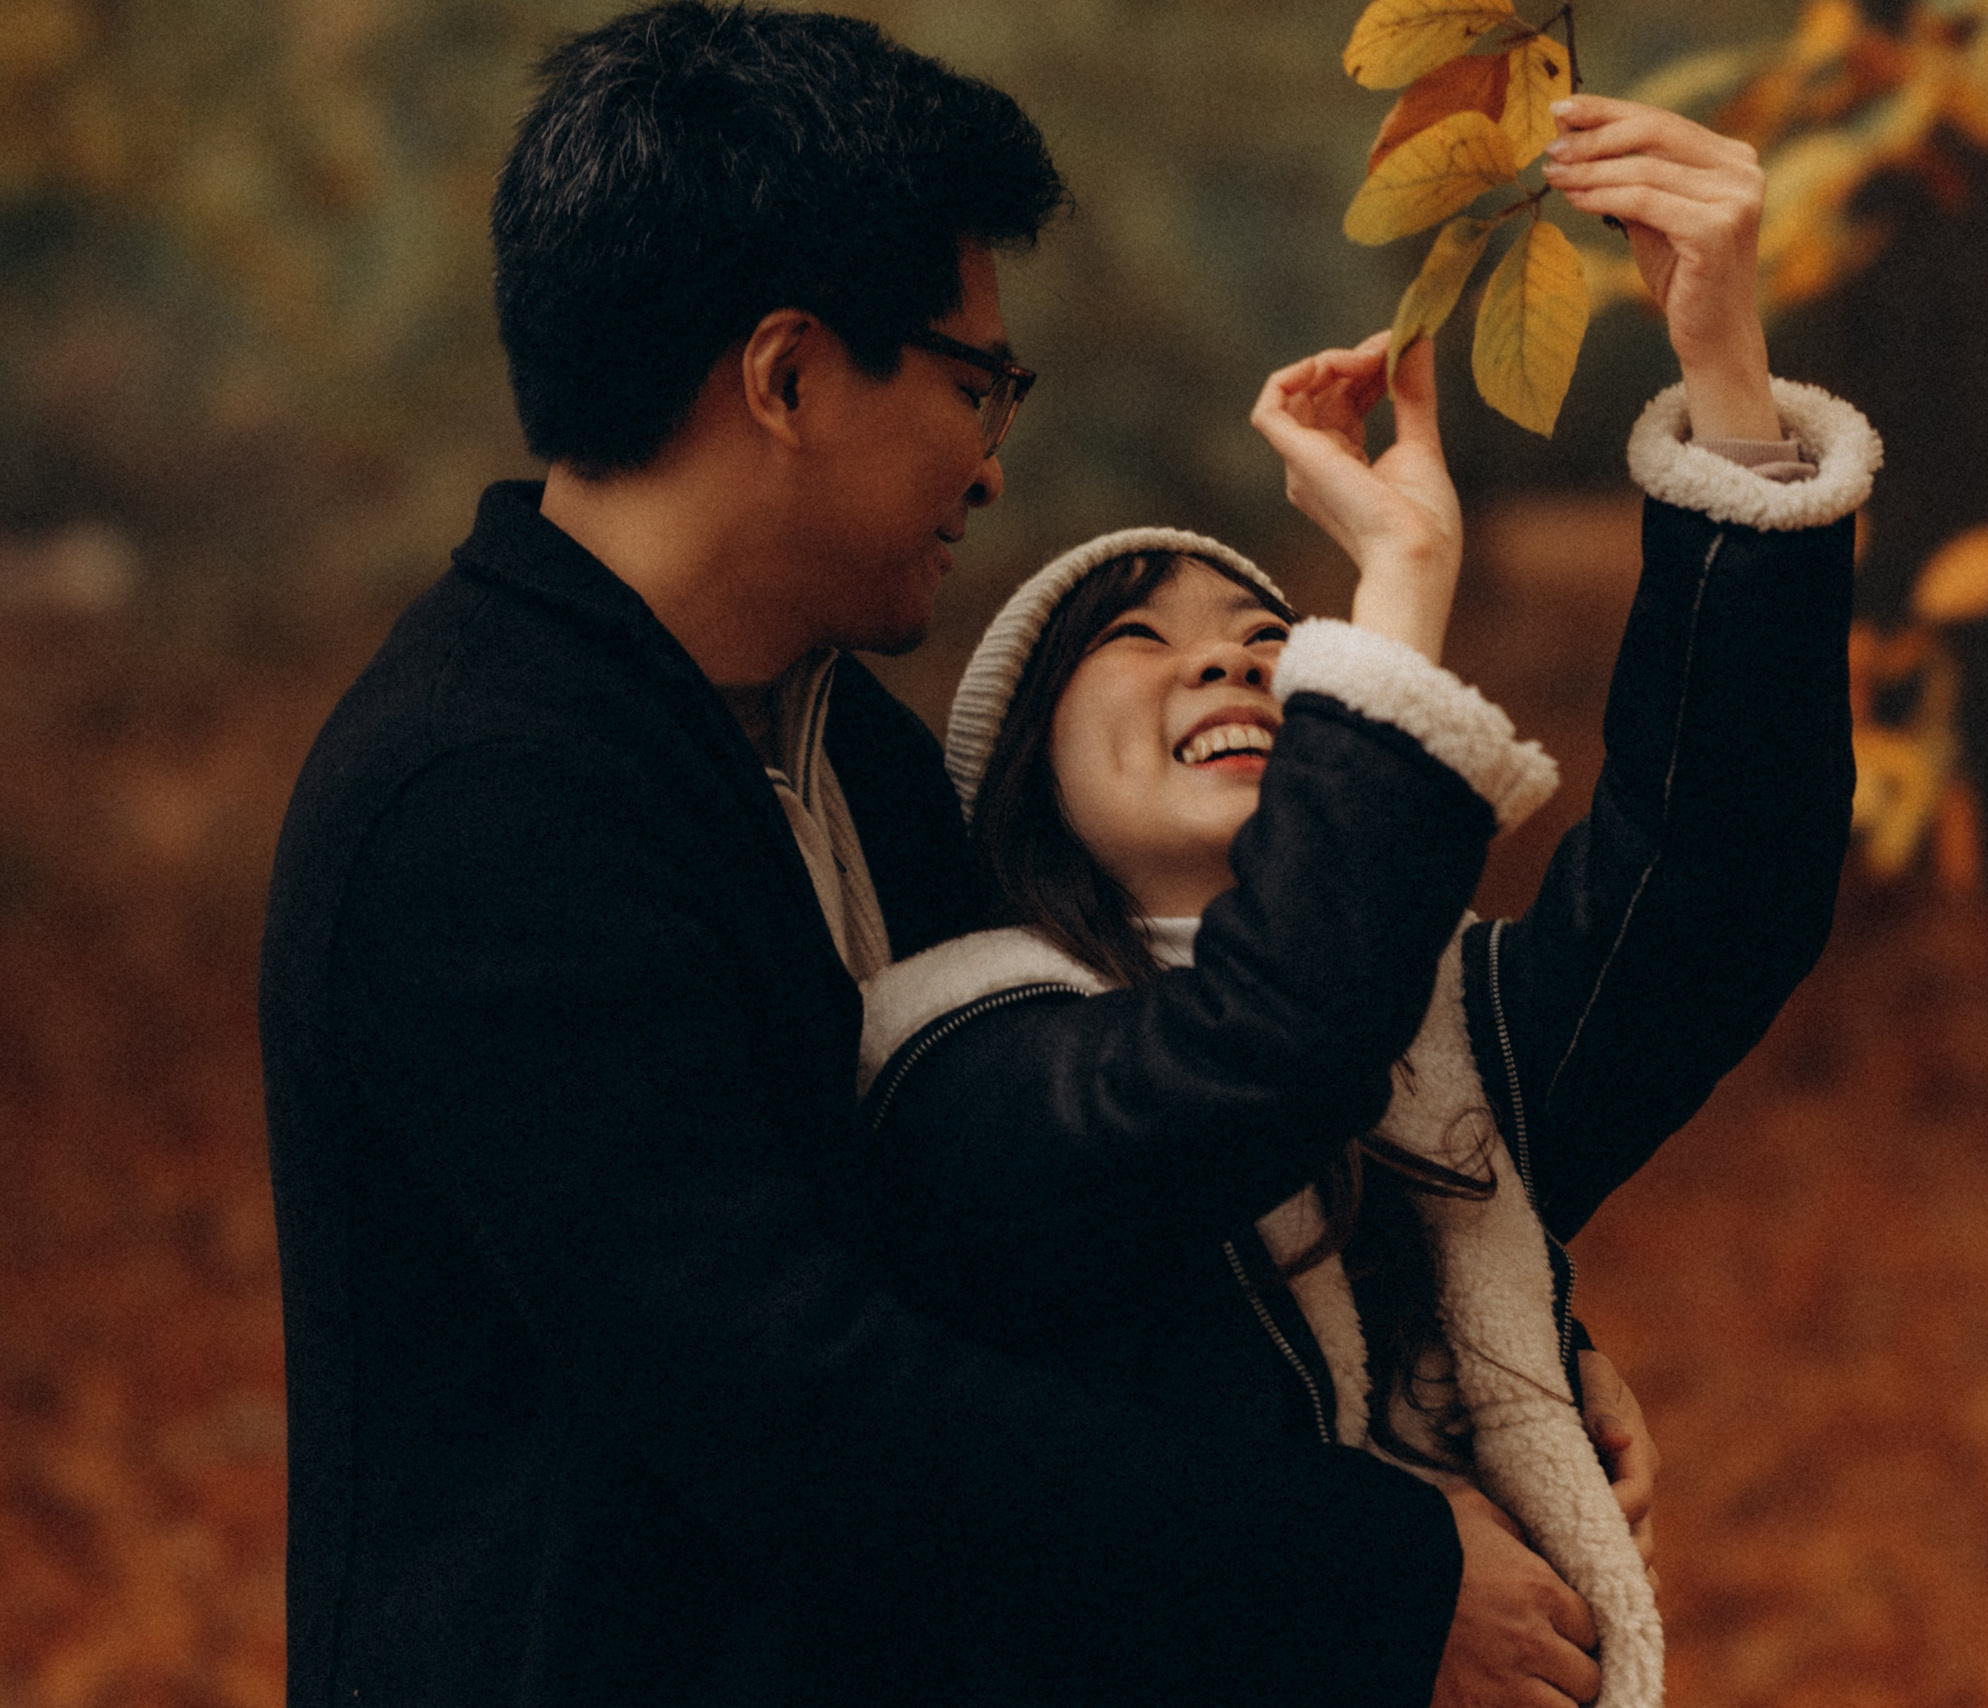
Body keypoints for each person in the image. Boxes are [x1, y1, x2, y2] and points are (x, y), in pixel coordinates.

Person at [257, 7, 1638, 1705]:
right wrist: (1370, 1578)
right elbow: (798, 1411)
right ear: (786, 376)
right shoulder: (484, 804)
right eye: (977, 382)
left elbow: (1096, 1157)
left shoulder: (825, 732)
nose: (995, 463)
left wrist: (1487, 1345)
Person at [851, 99, 1881, 1708]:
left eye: (1276, 638)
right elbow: (1238, 1074)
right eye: (1135, 635)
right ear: (1021, 781)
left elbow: (1720, 877)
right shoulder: (963, 1066)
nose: (1233, 655)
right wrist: (1390, 600)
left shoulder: (1453, 1046)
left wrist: (1724, 369)